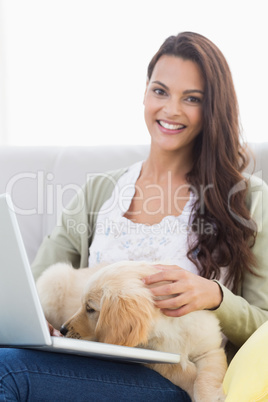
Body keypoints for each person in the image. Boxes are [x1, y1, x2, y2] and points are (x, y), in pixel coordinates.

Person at [1, 31, 268, 401]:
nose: (171, 110)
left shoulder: (246, 197)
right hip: (86, 364)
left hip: (176, 376)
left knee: (7, 371)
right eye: (160, 91)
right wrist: (40, 323)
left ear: (212, 110)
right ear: (145, 92)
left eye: (191, 99)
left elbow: (265, 325)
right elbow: (27, 290)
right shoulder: (100, 192)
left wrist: (215, 296)